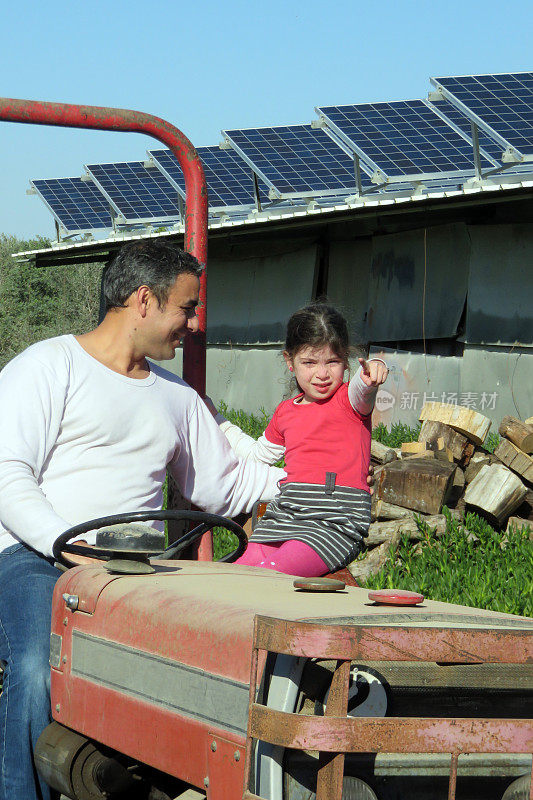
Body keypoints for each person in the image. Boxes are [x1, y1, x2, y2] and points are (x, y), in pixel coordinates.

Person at [0, 240, 286, 800]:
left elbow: (227, 485)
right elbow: (8, 476)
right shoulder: (48, 366)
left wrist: (312, 489)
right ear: (143, 300)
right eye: (186, 307)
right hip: (34, 559)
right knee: (39, 669)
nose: (192, 322)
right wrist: (66, 546)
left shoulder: (176, 398)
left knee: (192, 663)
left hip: (134, 571)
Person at [213, 303, 388, 577]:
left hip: (333, 523)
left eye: (333, 361)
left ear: (347, 361)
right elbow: (258, 455)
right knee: (232, 575)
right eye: (309, 362)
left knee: (269, 575)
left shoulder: (349, 401)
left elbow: (362, 392)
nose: (321, 374)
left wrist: (372, 374)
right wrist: (217, 422)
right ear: (289, 361)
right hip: (285, 517)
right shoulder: (286, 412)